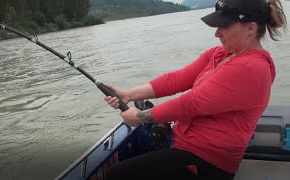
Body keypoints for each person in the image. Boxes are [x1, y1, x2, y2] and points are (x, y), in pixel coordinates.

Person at [104, 0, 287, 179]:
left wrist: (139, 117)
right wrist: (127, 94)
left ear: (251, 29)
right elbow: (175, 80)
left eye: (224, 26)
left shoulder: (252, 68)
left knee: (116, 175)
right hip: (183, 146)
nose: (217, 33)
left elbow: (190, 104)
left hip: (206, 161)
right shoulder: (219, 54)